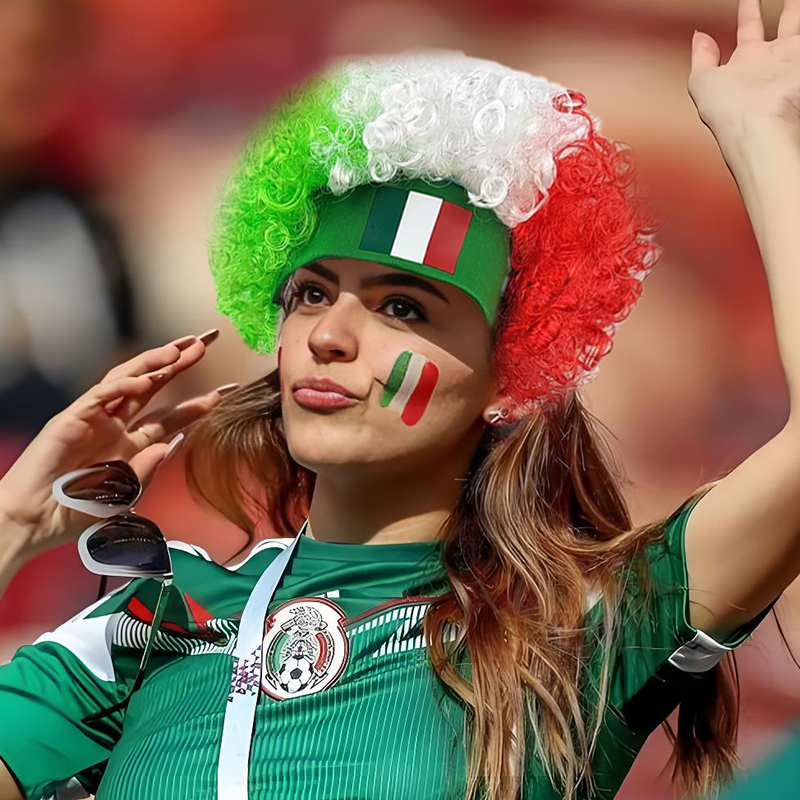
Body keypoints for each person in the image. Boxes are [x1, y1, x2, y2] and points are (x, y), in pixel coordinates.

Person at [2, 1, 800, 797]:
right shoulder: (158, 620)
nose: (329, 335)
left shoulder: (583, 624)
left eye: (402, 307)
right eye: (311, 294)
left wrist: (762, 138)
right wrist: (10, 528)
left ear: (508, 373)